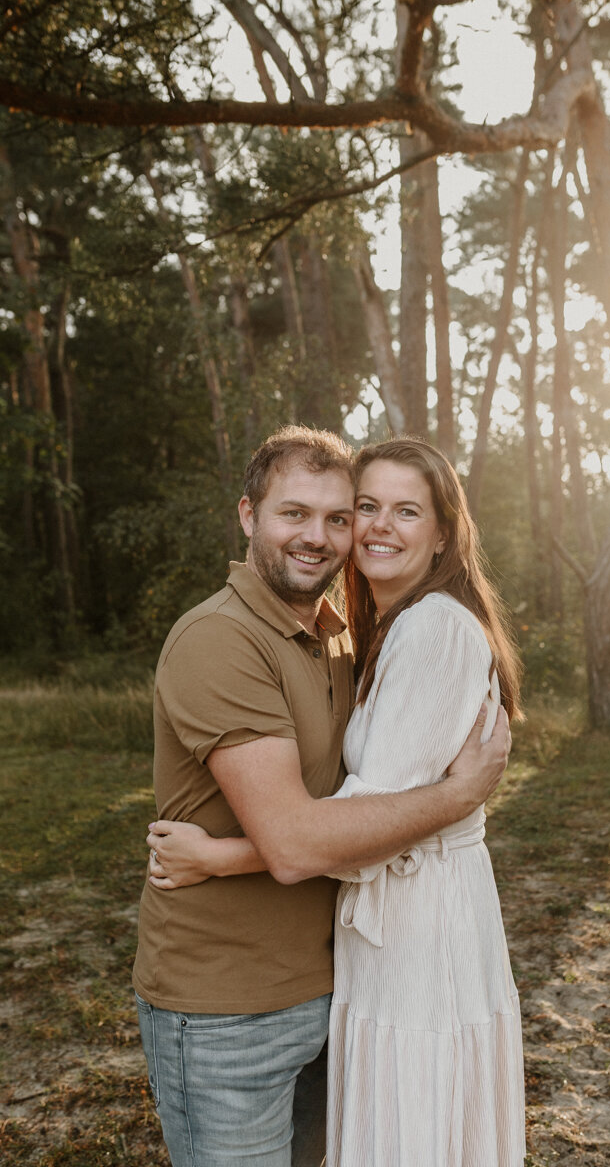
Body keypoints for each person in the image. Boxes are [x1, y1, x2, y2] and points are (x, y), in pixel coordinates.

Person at [133, 426, 512, 1167]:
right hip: (228, 1009)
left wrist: (220, 856)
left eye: (338, 517)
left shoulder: (342, 635)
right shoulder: (221, 639)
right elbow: (299, 840)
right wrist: (458, 796)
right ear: (248, 515)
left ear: (442, 535)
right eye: (294, 514)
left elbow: (347, 807)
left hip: (329, 988)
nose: (324, 535)